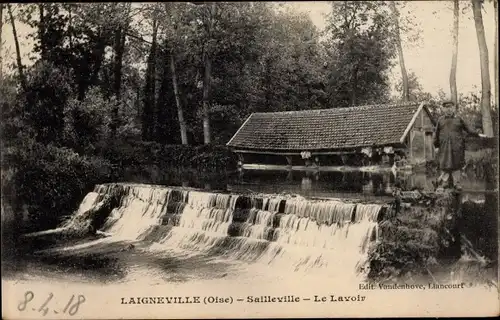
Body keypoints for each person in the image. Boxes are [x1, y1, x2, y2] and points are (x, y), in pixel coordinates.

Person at [433, 100, 487, 190]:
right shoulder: (440, 120)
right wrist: (436, 146)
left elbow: (468, 130)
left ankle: (456, 183)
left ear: (453, 108)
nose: (448, 109)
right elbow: (436, 133)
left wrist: (478, 134)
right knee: (445, 164)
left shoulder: (459, 119)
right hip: (444, 147)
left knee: (456, 164)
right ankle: (445, 183)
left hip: (457, 146)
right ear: (443, 109)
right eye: (446, 108)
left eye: (450, 107)